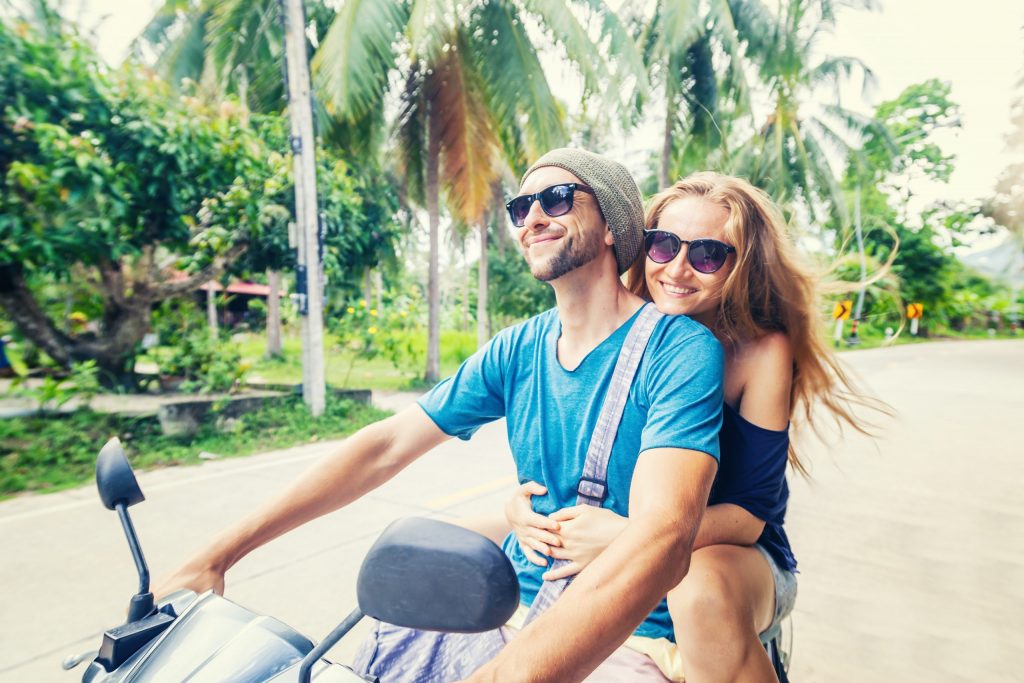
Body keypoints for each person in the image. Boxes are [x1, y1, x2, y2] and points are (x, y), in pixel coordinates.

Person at [155, 149, 725, 683]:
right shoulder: (517, 349)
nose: (533, 218)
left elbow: (663, 535)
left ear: (611, 228)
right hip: (499, 602)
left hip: (627, 637)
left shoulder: (678, 351)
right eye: (520, 207)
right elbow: (384, 447)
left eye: (556, 199)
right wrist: (216, 555)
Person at [495, 172, 885, 683]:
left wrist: (629, 537)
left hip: (732, 548)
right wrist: (517, 506)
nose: (678, 269)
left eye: (707, 256)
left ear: (740, 266)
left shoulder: (761, 352)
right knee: (474, 535)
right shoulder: (623, 329)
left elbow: (749, 517)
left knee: (698, 589)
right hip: (630, 526)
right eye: (663, 246)